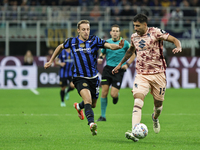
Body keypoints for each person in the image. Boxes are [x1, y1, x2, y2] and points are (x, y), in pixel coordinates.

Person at [44, 20, 124, 136]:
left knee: (93, 104)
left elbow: (109, 45)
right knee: (88, 100)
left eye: (88, 29)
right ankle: (92, 124)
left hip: (94, 78)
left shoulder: (95, 40)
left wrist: (118, 46)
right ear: (78, 30)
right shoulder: (72, 42)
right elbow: (60, 47)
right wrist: (51, 61)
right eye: (83, 30)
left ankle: (78, 106)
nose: (86, 32)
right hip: (79, 77)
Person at [112, 14, 182, 142]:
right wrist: (120, 64)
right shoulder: (134, 37)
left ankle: (155, 118)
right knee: (138, 101)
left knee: (158, 105)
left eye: (137, 26)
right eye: (134, 26)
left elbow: (173, 39)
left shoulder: (156, 32)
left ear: (145, 25)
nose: (135, 28)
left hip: (158, 74)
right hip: (142, 74)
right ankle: (134, 131)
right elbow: (130, 51)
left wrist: (178, 46)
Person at [97, 24, 136, 122]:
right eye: (113, 31)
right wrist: (101, 58)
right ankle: (103, 116)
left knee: (113, 94)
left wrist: (127, 65)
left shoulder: (125, 43)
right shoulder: (107, 43)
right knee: (104, 92)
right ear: (110, 32)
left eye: (116, 31)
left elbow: (133, 54)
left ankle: (116, 96)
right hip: (107, 69)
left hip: (119, 70)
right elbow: (103, 52)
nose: (115, 32)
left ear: (119, 33)